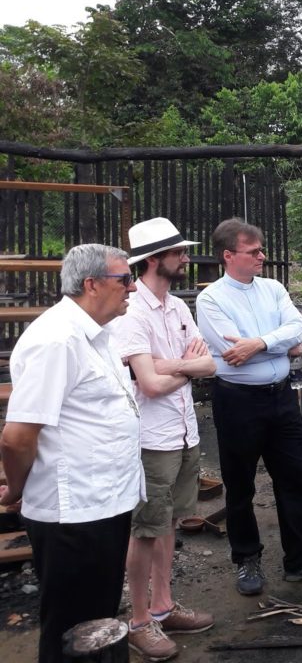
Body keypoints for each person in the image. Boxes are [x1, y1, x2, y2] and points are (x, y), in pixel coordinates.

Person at [0, 244, 144, 663]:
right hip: (74, 512)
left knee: (97, 622)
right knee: (71, 628)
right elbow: (16, 437)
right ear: (91, 283)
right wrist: (18, 489)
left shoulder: (98, 333)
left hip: (104, 502)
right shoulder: (57, 339)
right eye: (124, 280)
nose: (131, 288)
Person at [196, 218, 302, 596]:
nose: (263, 256)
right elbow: (231, 355)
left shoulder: (274, 288)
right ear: (229, 256)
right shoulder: (211, 299)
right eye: (254, 251)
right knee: (240, 484)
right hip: (237, 401)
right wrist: (279, 345)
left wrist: (259, 344)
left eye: (261, 249)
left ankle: (299, 559)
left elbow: (297, 331)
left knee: (293, 479)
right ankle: (247, 559)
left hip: (282, 398)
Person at [113, 218, 217, 660]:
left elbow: (209, 365)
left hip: (183, 432)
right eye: (178, 253)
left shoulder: (178, 307)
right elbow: (148, 387)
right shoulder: (131, 313)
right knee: (145, 529)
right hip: (152, 438)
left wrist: (165, 365)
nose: (186, 257)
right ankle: (139, 620)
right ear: (154, 260)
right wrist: (182, 367)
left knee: (171, 521)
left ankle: (163, 605)